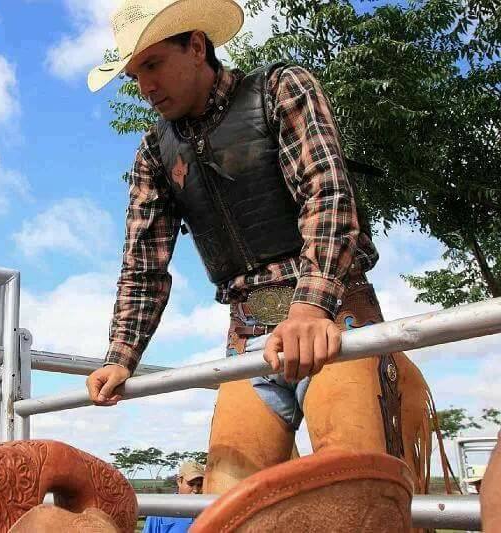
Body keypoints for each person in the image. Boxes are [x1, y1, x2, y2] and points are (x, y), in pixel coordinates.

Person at [84, 0, 432, 494]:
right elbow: (143, 264)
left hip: (334, 316)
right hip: (247, 334)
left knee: (355, 488)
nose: (145, 88)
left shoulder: (280, 89)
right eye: (135, 75)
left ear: (197, 46)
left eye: (154, 64)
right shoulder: (152, 152)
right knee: (225, 501)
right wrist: (121, 355)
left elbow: (326, 193)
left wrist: (310, 308)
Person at [142, 461, 204, 533]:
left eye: (199, 485)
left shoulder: (207, 511)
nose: (196, 490)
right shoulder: (159, 511)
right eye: (191, 484)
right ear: (179, 481)